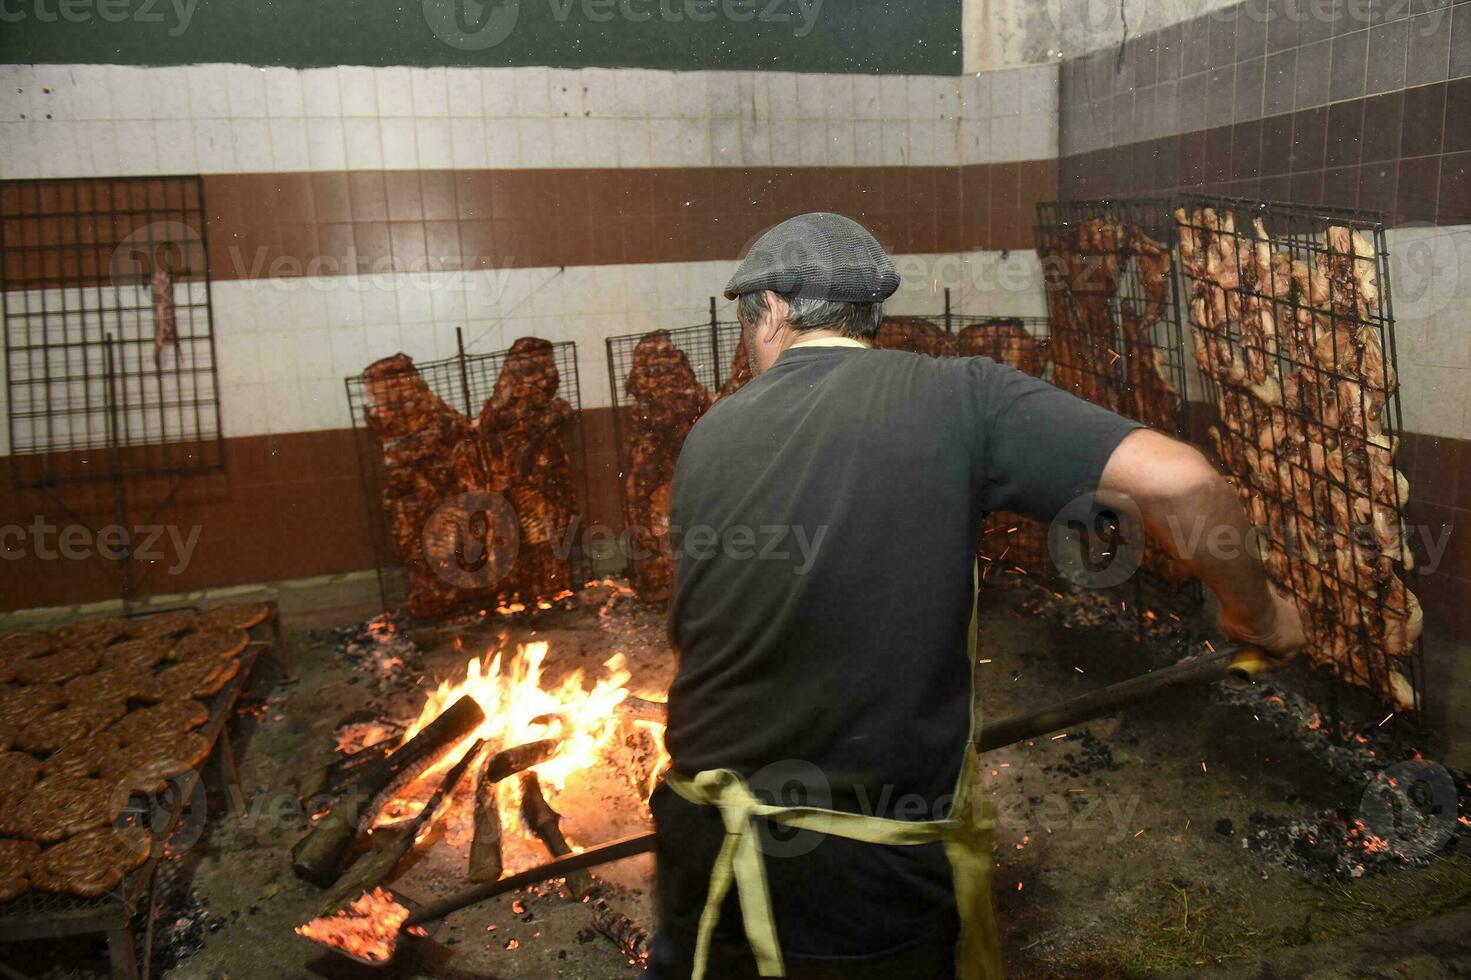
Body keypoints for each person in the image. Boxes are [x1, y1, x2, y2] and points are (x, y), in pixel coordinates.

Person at [645, 213, 1305, 979]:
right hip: (859, 875)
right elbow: (1184, 482)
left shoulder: (709, 432)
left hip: (696, 849)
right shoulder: (960, 396)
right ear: (868, 314)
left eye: (742, 319)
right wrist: (1256, 613)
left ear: (774, 309)